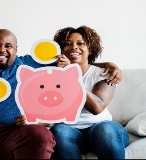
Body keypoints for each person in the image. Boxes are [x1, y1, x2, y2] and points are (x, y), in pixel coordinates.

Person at [0, 29, 122, 159]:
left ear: (17, 49)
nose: (2, 49)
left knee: (40, 134)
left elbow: (74, 60)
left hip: (16, 134)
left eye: (8, 45)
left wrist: (109, 65)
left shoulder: (33, 64)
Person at [49, 26, 129, 159]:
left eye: (80, 43)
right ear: (61, 50)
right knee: (59, 131)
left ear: (90, 49)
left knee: (104, 129)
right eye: (67, 44)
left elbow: (96, 107)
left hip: (104, 132)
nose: (74, 47)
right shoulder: (51, 74)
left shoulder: (103, 73)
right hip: (71, 133)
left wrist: (71, 76)